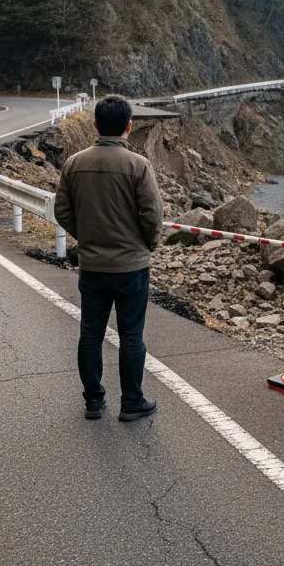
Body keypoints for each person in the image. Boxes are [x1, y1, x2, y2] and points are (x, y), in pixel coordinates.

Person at [54, 95, 164, 421]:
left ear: (95, 125)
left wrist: (86, 237)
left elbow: (62, 210)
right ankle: (131, 403)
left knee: (91, 334)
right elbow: (152, 215)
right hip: (132, 267)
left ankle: (93, 401)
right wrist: (147, 245)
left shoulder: (75, 163)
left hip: (92, 265)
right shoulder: (138, 165)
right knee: (131, 337)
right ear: (129, 126)